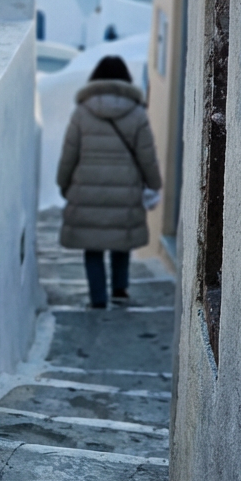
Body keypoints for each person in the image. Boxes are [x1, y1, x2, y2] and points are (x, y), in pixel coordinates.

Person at [56, 55, 162, 309]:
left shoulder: (82, 112)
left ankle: (98, 298)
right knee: (121, 240)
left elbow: (70, 152)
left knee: (92, 246)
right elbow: (146, 154)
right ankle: (120, 288)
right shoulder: (137, 113)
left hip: (87, 189)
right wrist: (154, 183)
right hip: (125, 189)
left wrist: (64, 182)